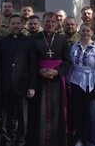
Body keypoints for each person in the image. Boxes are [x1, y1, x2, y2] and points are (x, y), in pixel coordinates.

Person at [28, 11, 70, 146]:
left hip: (57, 81)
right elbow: (31, 62)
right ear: (42, 23)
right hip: (40, 81)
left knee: (57, 113)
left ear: (57, 23)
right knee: (40, 112)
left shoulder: (62, 39)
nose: (50, 24)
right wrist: (39, 71)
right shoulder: (35, 39)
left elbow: (68, 61)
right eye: (47, 21)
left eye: (53, 22)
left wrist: (57, 72)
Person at [0, 14, 37, 146]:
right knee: (6, 117)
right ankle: (7, 141)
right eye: (13, 23)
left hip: (23, 86)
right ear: (9, 25)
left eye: (18, 23)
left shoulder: (29, 42)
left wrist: (32, 86)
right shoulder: (1, 42)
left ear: (22, 24)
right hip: (6, 86)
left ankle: (21, 142)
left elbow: (33, 65)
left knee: (23, 118)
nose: (15, 26)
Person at [68, 24, 95, 146]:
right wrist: (69, 82)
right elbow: (71, 65)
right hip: (76, 82)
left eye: (87, 31)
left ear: (92, 32)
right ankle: (80, 138)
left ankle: (91, 141)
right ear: (79, 32)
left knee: (91, 114)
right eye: (83, 30)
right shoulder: (75, 46)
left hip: (91, 82)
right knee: (78, 112)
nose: (85, 33)